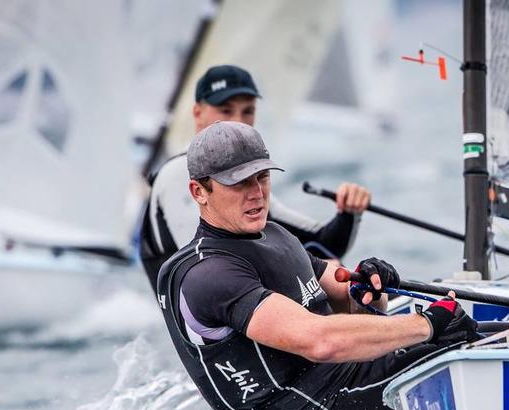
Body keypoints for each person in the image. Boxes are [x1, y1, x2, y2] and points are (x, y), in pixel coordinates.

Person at [157, 121, 480, 410]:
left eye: (262, 177)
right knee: (479, 353)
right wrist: (427, 324)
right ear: (199, 191)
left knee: (502, 335)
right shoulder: (207, 274)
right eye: (238, 183)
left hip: (364, 378)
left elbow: (351, 302)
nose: (257, 193)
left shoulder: (277, 236)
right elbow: (320, 341)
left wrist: (369, 288)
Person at [140, 64, 372, 289]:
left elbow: (323, 246)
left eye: (248, 111)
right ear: (197, 113)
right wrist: (314, 271)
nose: (238, 122)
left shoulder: (252, 188)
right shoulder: (177, 175)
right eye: (226, 110)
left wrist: (349, 212)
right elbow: (206, 272)